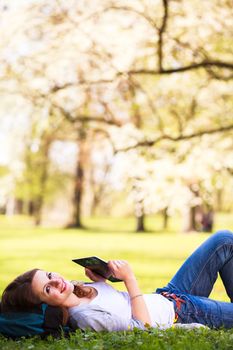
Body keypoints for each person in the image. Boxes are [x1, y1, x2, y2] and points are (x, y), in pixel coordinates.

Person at [1, 230, 233, 332]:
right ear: (46, 305)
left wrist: (102, 280)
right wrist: (129, 279)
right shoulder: (86, 319)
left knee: (223, 240)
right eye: (47, 289)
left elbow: (118, 304)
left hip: (169, 294)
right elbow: (144, 328)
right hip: (183, 312)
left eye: (50, 275)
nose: (56, 282)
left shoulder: (78, 290)